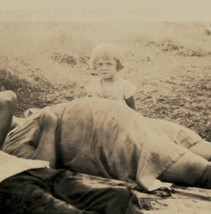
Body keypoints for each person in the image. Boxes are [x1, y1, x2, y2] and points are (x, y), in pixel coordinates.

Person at [3, 95, 211, 192]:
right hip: (103, 138)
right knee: (193, 169)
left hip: (125, 120)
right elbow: (41, 170)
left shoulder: (23, 120)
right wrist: (49, 129)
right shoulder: (10, 146)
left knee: (192, 144)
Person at [0, 91, 141, 214]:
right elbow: (7, 99)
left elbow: (8, 98)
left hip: (35, 172)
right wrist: (49, 129)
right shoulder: (14, 142)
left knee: (121, 198)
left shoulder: (18, 128)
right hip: (8, 183)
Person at [86, 44, 136, 110]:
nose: (104, 68)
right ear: (95, 66)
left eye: (109, 64)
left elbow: (132, 107)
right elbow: (88, 105)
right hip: (100, 117)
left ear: (117, 65)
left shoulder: (124, 86)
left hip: (119, 117)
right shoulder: (94, 85)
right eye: (100, 64)